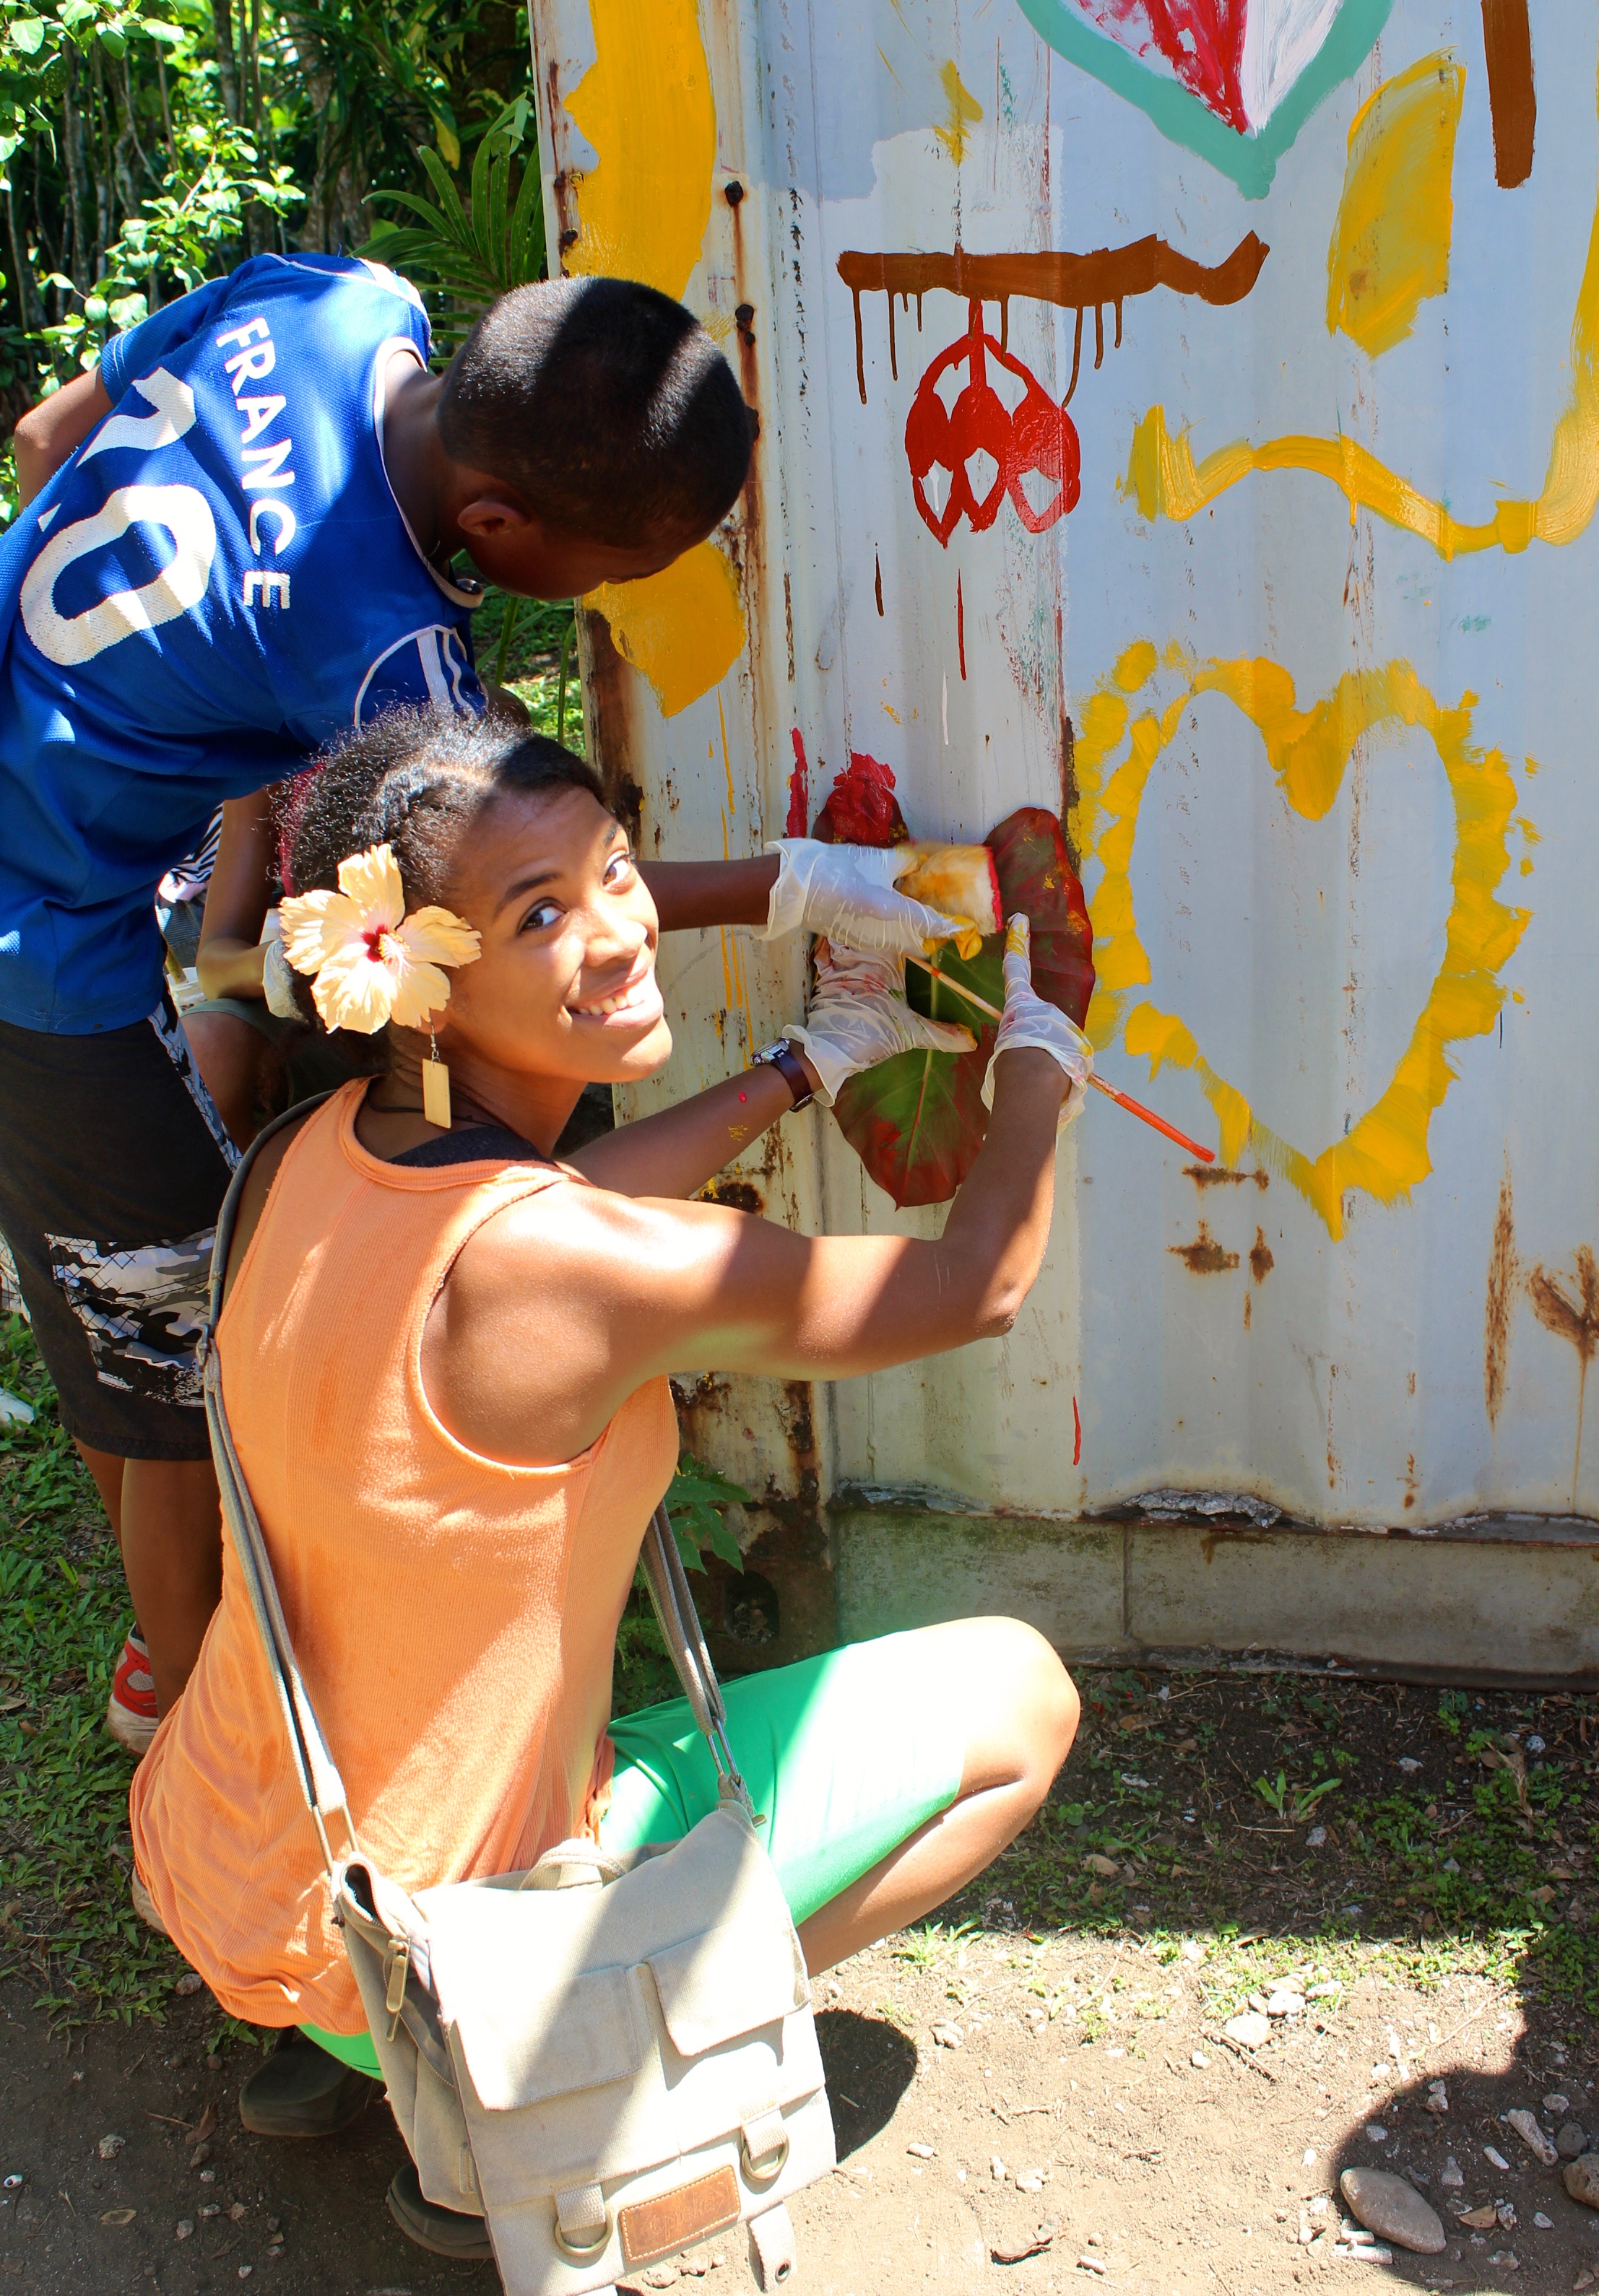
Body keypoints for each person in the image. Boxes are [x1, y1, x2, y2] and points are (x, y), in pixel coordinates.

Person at [128, 707, 1088, 2254]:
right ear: (424, 980)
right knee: (1020, 1699)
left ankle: (353, 2067)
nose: (625, 930)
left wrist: (808, 1059)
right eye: (542, 913)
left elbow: (549, 1208)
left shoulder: (313, 1155)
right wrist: (1044, 1032)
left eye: (619, 872)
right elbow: (965, 1288)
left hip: (245, 1874)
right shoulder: (573, 1271)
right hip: (454, 1958)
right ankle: (556, 2096)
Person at [0, 261, 963, 1753]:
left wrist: (188, 700)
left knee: (147, 1260)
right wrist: (804, 882)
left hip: (57, 840)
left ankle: (152, 1492)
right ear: (499, 528)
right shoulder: (387, 653)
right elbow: (529, 907)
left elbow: (53, 436)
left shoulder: (332, 301)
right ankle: (187, 1714)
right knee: (170, 1344)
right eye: (604, 572)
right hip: (33, 937)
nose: (596, 601)